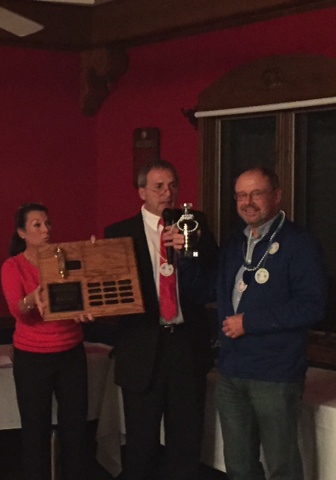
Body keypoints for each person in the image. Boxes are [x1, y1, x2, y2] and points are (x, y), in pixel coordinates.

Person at [103, 160, 218, 480]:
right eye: (158, 187)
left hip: (186, 344)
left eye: (172, 185)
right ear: (142, 192)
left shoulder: (194, 223)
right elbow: (110, 290)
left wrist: (191, 249)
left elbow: (214, 270)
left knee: (186, 439)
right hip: (141, 346)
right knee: (141, 444)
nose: (168, 193)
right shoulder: (119, 232)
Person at [216, 167, 327, 480]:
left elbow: (313, 306)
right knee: (238, 466)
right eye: (241, 195)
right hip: (231, 371)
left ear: (277, 196)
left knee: (282, 466)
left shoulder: (300, 242)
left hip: (275, 374)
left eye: (257, 193)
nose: (248, 202)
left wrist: (250, 322)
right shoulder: (233, 243)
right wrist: (185, 255)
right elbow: (210, 290)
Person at [0, 202, 94, 480]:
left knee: (75, 430)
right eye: (37, 225)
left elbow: (82, 296)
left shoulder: (65, 258)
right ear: (22, 233)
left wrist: (93, 257)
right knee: (35, 432)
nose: (46, 230)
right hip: (32, 357)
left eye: (48, 223)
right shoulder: (13, 266)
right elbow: (17, 310)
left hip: (71, 353)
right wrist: (32, 298)